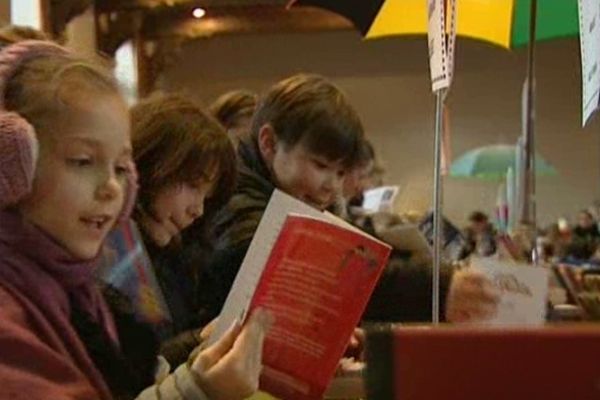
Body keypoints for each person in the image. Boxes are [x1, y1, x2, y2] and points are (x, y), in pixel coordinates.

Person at [0, 40, 270, 400]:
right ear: (12, 161)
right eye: (83, 161)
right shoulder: (10, 313)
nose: (112, 188)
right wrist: (197, 391)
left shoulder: (76, 290)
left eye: (120, 167)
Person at [199, 73, 499, 325]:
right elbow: (315, 276)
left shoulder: (285, 196)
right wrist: (435, 288)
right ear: (269, 143)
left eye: (341, 172)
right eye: (320, 166)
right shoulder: (234, 198)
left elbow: (356, 252)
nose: (332, 186)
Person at [102, 93, 237, 365]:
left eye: (206, 197)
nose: (197, 210)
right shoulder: (105, 251)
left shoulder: (179, 256)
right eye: (192, 185)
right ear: (147, 162)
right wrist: (195, 341)